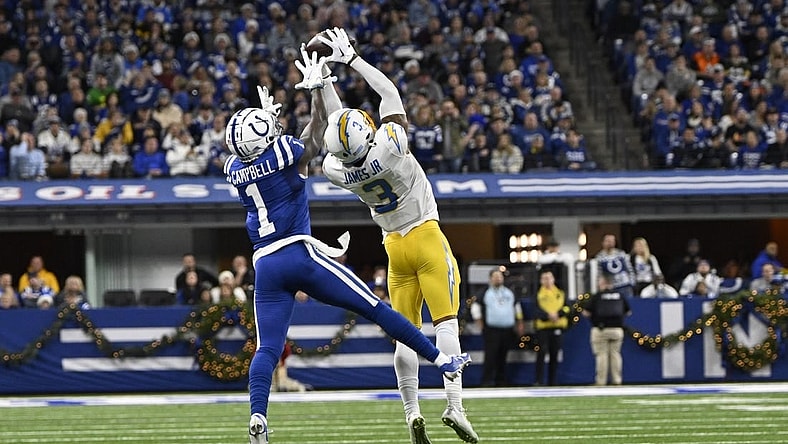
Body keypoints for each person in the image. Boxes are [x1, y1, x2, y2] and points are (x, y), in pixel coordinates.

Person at [222, 76, 470, 443]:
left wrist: (267, 123)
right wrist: (315, 92)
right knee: (375, 307)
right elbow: (318, 130)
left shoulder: (233, 168)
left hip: (265, 264)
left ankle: (258, 415)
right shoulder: (285, 153)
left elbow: (265, 152)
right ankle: (442, 360)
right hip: (299, 253)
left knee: (267, 348)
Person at [307, 28, 478, 444]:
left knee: (407, 332)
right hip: (424, 234)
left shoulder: (339, 171)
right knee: (446, 323)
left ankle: (411, 412)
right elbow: (388, 94)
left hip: (393, 248)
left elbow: (333, 124)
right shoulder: (390, 146)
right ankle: (455, 404)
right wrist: (351, 61)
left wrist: (323, 84)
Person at [470, 268, 524, 388]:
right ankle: (487, 381)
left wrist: (520, 323)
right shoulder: (484, 293)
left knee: (503, 356)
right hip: (491, 330)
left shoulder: (509, 293)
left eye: (499, 276)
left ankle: (501, 381)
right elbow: (475, 308)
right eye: (495, 276)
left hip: (507, 329)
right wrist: (480, 323)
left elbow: (517, 308)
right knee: (490, 356)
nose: (498, 278)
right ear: (490, 279)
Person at [582, 274, 631, 386]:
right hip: (617, 330)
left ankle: (601, 381)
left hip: (601, 330)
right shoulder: (620, 295)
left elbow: (586, 312)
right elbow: (628, 312)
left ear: (602, 283)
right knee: (616, 354)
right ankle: (617, 380)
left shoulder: (597, 296)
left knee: (601, 355)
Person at [534, 270, 568, 386]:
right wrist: (547, 316)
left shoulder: (560, 293)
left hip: (557, 327)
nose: (547, 280)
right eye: (544, 278)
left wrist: (558, 314)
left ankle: (552, 381)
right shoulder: (538, 294)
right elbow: (535, 310)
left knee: (554, 354)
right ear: (541, 281)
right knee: (541, 354)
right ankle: (539, 380)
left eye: (549, 278)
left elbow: (567, 308)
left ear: (553, 279)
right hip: (543, 328)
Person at [595, 234, 635, 298]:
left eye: (612, 241)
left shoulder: (621, 253)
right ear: (603, 243)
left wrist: (632, 282)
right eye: (608, 241)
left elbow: (629, 268)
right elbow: (599, 274)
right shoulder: (599, 257)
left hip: (625, 285)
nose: (610, 243)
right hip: (612, 287)